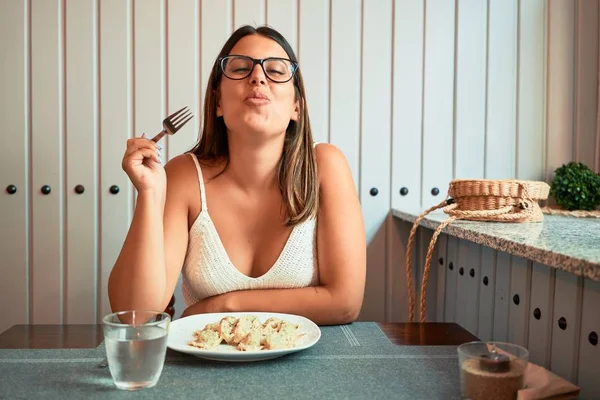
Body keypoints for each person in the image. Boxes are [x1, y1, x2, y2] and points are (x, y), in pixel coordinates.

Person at [107, 25, 366, 325]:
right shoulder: (183, 177)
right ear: (217, 102)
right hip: (206, 365)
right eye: (241, 68)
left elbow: (345, 302)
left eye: (276, 71)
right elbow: (135, 315)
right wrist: (150, 195)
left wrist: (224, 306)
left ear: (297, 106)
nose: (258, 77)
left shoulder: (326, 166)